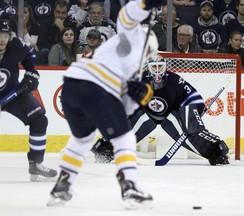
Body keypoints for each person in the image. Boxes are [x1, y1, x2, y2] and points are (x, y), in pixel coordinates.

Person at [47, 0, 162, 209]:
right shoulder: (133, 37)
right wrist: (144, 4)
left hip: (72, 85)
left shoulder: (128, 68)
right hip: (96, 86)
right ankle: (130, 186)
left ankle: (62, 187)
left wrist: (138, 98)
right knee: (124, 136)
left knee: (82, 139)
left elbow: (122, 109)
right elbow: (126, 16)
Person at [91, 53, 230, 166]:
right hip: (145, 113)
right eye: (154, 67)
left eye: (160, 66)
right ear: (148, 68)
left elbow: (194, 97)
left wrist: (192, 116)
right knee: (135, 122)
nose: (157, 70)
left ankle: (216, 151)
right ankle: (106, 150)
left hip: (172, 114)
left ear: (165, 68)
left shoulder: (175, 80)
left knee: (190, 130)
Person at [0, 19, 57, 181]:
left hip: (13, 92)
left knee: (39, 120)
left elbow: (30, 54)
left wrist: (31, 74)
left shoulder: (16, 44)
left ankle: (36, 164)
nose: (2, 39)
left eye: (5, 35)